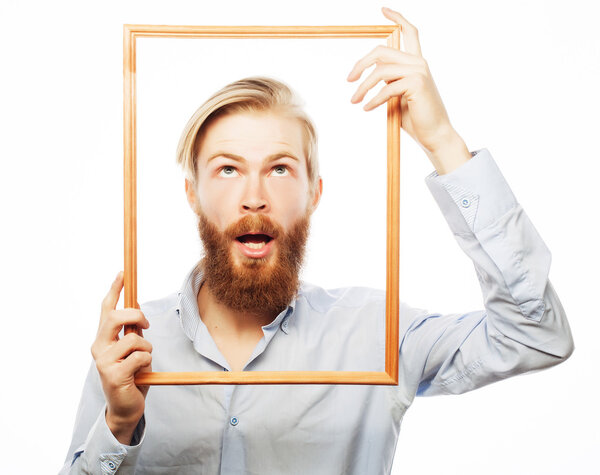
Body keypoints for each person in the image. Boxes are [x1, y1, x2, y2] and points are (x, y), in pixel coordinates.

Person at [59, 7, 574, 474]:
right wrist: (119, 425)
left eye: (279, 168)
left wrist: (441, 138)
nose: (254, 196)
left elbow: (537, 336)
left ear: (314, 193)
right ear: (192, 194)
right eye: (228, 169)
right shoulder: (130, 351)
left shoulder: (377, 334)